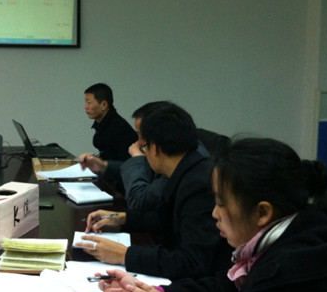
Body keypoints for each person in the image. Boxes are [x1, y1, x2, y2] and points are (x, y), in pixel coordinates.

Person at [97, 138, 327, 292]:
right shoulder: (280, 241)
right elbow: (225, 290)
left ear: (262, 212)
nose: (214, 214)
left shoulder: (296, 281)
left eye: (221, 203)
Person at [77, 102, 232, 280]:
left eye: (143, 143)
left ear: (155, 147)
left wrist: (124, 255)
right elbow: (170, 218)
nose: (140, 146)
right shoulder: (187, 169)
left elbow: (192, 261)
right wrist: (123, 219)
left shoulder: (198, 184)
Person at [80, 101, 171, 210]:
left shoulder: (171, 173)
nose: (139, 142)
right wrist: (103, 166)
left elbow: (138, 202)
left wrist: (138, 159)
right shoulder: (166, 158)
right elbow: (146, 171)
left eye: (140, 135)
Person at [84, 83, 137, 162]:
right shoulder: (105, 123)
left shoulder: (118, 128)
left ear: (104, 105)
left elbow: (125, 162)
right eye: (85, 102)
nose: (85, 107)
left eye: (89, 103)